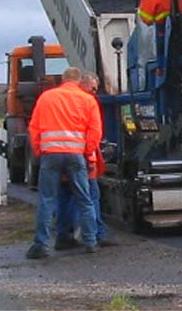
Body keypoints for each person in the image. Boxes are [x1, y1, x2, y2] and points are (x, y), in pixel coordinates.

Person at [25, 67, 102, 259]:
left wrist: (39, 151)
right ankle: (91, 241)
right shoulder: (88, 100)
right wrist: (87, 154)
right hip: (76, 155)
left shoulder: (46, 97)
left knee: (47, 200)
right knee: (85, 199)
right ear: (78, 81)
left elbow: (34, 128)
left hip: (51, 155)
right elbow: (95, 132)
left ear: (62, 79)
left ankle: (41, 245)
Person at [55, 72, 115, 248]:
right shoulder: (87, 102)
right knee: (90, 198)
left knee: (64, 198)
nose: (95, 93)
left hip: (59, 156)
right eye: (94, 88)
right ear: (82, 84)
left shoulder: (58, 101)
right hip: (81, 159)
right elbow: (94, 133)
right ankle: (94, 236)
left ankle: (63, 236)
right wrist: (89, 157)